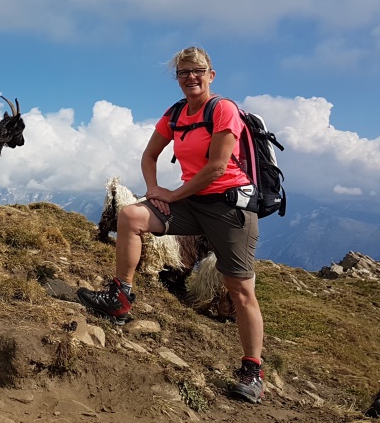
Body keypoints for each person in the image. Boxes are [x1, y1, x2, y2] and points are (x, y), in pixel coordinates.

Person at [76, 46, 266, 404]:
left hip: (229, 208)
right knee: (131, 216)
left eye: (198, 71)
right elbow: (149, 155)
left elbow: (217, 167)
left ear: (211, 75)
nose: (191, 77)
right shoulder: (176, 113)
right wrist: (154, 190)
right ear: (177, 78)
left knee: (240, 291)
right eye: (183, 72)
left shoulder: (223, 110)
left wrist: (173, 194)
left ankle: (252, 371)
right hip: (191, 202)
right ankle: (119, 298)